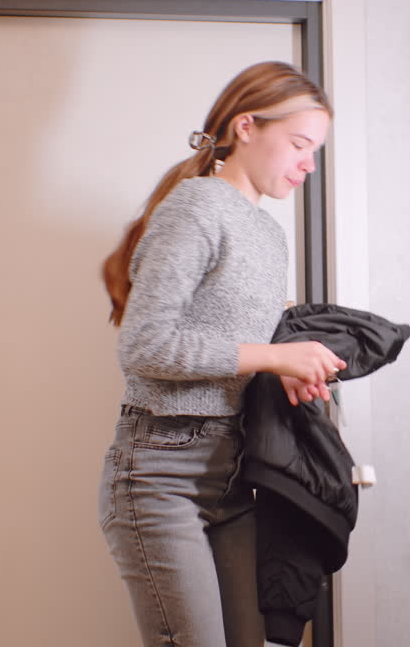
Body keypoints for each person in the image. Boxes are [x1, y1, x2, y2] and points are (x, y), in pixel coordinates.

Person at [98, 61, 346, 647]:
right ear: (246, 128)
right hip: (161, 474)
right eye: (299, 145)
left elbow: (238, 347)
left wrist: (287, 371)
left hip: (232, 476)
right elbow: (144, 344)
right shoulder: (197, 207)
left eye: (316, 150)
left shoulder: (268, 233)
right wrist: (272, 358)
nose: (309, 164)